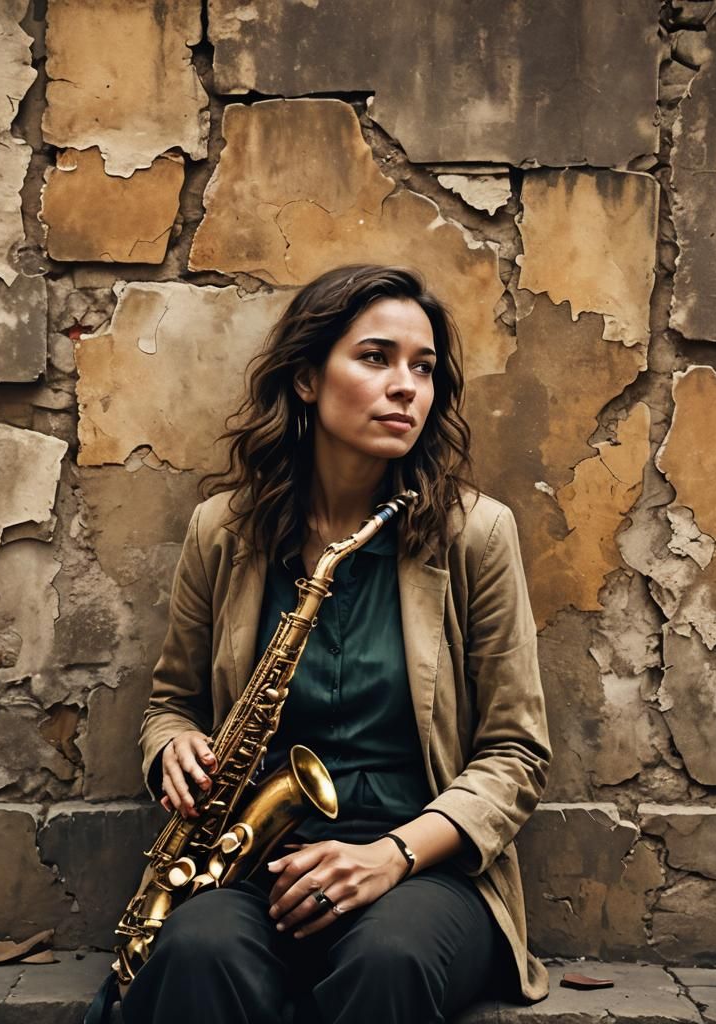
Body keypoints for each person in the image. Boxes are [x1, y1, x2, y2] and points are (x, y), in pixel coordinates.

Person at [122, 264, 550, 1024]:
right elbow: (170, 704)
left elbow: (516, 754)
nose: (406, 387)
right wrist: (174, 747)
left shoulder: (477, 534)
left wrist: (390, 856)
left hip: (424, 871)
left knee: (389, 962)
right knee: (194, 952)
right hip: (255, 865)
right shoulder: (224, 531)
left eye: (423, 368)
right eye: (376, 358)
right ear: (306, 379)